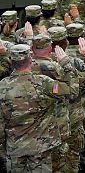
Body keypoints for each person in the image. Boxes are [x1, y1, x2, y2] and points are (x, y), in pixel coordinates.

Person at [0, 44, 71, 172]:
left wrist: (2, 150)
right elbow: (70, 89)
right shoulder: (45, 83)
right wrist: (66, 65)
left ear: (12, 61)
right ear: (31, 60)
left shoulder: (2, 87)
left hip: (15, 148)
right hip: (41, 148)